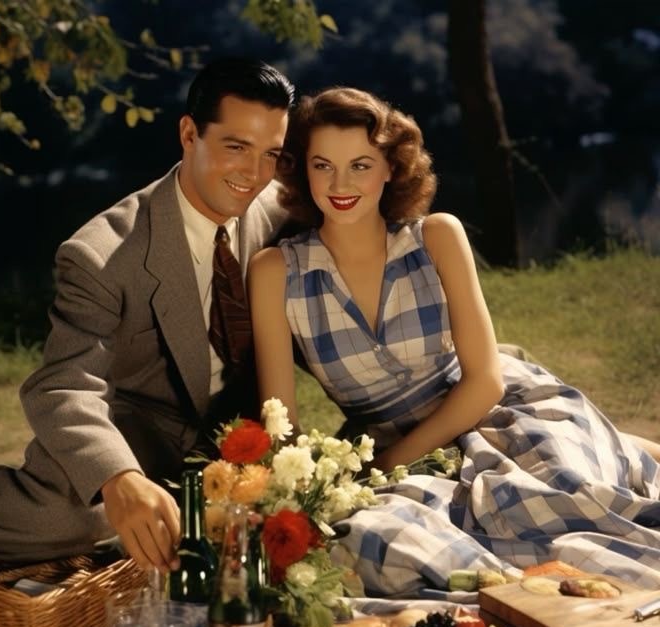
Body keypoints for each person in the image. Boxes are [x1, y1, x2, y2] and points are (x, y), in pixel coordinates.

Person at [0, 58, 295, 572]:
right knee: (65, 519)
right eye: (236, 147)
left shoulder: (278, 207)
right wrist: (119, 480)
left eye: (270, 154)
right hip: (137, 435)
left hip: (235, 442)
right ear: (189, 134)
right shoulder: (100, 254)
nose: (253, 174)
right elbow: (64, 385)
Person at [248, 87, 660, 480]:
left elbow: (485, 383)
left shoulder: (437, 237)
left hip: (491, 416)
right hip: (385, 449)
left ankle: (615, 449)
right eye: (323, 166)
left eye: (361, 165)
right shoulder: (275, 272)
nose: (340, 185)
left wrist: (387, 465)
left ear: (390, 167)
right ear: (303, 169)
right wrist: (307, 484)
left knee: (567, 480)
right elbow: (280, 424)